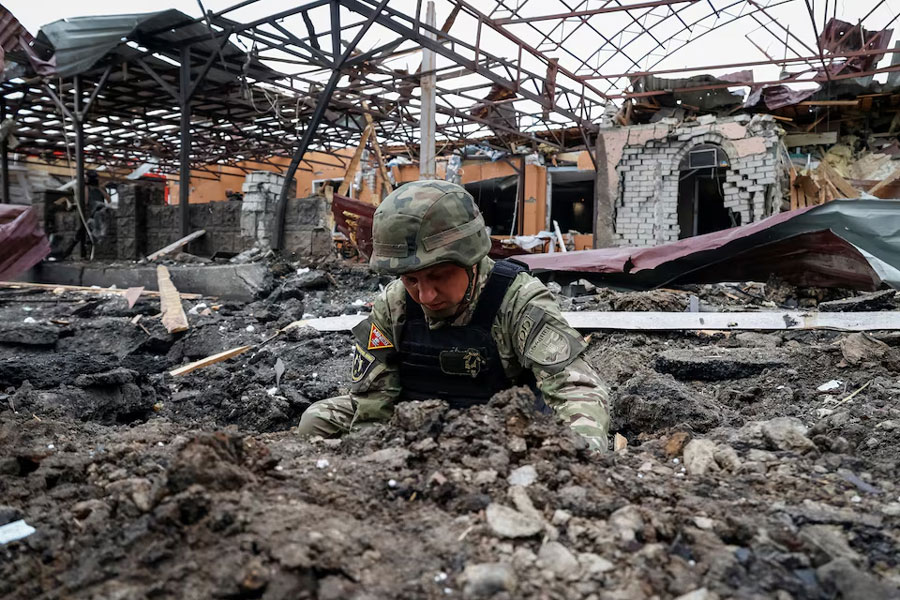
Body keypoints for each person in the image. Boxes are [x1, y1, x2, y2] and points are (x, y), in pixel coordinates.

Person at [297, 181, 610, 451]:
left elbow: (575, 387)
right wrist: (374, 458)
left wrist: (580, 452)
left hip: (498, 429)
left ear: (471, 260)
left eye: (440, 276)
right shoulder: (394, 303)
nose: (425, 296)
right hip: (415, 421)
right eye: (411, 280)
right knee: (317, 421)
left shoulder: (518, 300)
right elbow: (374, 397)